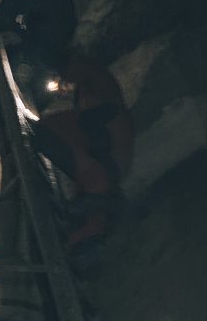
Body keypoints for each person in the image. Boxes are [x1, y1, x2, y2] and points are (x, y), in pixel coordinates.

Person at [30, 51, 135, 250]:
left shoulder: (103, 113)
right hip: (103, 171)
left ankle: (80, 243)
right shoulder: (104, 112)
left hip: (101, 170)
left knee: (94, 194)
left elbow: (60, 128)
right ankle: (80, 242)